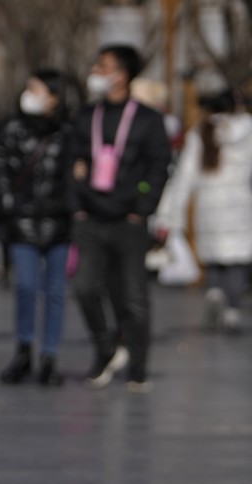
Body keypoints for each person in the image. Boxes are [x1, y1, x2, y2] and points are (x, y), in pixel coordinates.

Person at [71, 45, 171, 391]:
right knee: (84, 287)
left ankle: (138, 365)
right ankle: (105, 348)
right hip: (91, 217)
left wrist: (142, 207)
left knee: (133, 296)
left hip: (129, 220)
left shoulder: (147, 119)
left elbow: (160, 165)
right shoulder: (87, 115)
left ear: (122, 75)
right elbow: (73, 159)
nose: (96, 71)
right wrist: (77, 203)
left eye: (104, 66)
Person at [0, 70, 75, 386]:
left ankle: (49, 355)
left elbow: (74, 171)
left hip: (58, 219)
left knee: (55, 291)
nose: (30, 94)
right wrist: (9, 202)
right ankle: (24, 350)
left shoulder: (67, 131)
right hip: (22, 219)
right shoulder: (12, 128)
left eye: (37, 89)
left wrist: (71, 206)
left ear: (54, 96)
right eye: (28, 88)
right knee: (26, 287)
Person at [155, 90, 252, 334]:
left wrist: (170, 214)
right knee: (237, 261)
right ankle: (231, 308)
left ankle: (215, 291)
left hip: (209, 204)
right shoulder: (249, 130)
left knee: (215, 259)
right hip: (241, 204)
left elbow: (185, 176)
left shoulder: (202, 131)